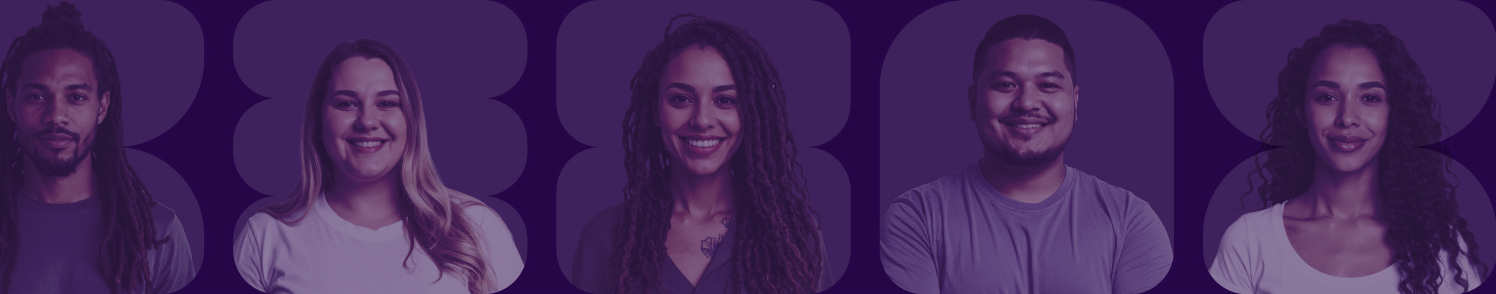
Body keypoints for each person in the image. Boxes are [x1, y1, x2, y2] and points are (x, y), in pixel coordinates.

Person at [878, 14, 1171, 294]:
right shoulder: (917, 217)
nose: (1027, 102)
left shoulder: (1130, 221)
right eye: (1006, 84)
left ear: (1075, 102)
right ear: (973, 101)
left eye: (1048, 85)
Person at [0, 2, 195, 293]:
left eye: (76, 97)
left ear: (101, 107)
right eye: (37, 96)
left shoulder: (158, 232)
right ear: (12, 105)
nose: (55, 116)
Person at [1209, 19, 1486, 294]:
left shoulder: (1440, 248)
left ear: (1393, 115)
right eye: (1327, 97)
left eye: (1370, 98)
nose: (1347, 118)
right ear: (1301, 112)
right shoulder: (1249, 241)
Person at [233, 38, 525, 294]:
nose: (368, 121)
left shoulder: (477, 227)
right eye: (346, 104)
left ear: (411, 119)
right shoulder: (266, 235)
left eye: (386, 104)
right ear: (318, 120)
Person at [570, 15, 825, 294]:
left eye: (725, 100)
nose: (702, 120)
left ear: (749, 114)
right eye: (681, 99)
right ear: (656, 111)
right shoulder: (604, 237)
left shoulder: (793, 235)